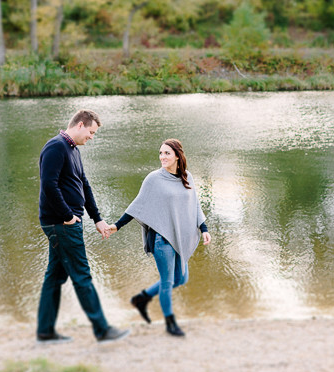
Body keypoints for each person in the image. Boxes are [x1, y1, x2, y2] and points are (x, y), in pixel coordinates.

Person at [36, 109, 129, 344]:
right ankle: (102, 329)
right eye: (91, 132)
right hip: (62, 224)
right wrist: (68, 216)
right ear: (79, 125)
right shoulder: (56, 147)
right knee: (82, 274)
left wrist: (97, 219)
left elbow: (84, 185)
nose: (92, 137)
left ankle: (46, 331)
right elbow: (49, 185)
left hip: (65, 223)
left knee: (55, 276)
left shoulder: (72, 150)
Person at [107, 138, 211, 337]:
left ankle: (142, 298)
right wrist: (117, 226)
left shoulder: (187, 177)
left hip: (181, 237)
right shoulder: (153, 179)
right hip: (161, 240)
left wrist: (204, 228)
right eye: (160, 153)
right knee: (167, 281)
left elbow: (195, 205)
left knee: (181, 278)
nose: (162, 157)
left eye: (167, 153)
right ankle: (170, 323)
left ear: (178, 156)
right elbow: (138, 205)